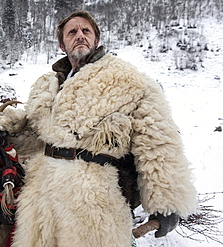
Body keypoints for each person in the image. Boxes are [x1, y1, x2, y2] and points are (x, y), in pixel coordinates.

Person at [10, 11, 197, 246]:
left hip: (94, 197)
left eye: (86, 31)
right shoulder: (45, 85)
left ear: (96, 40)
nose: (79, 36)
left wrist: (167, 204)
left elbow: (157, 139)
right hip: (40, 195)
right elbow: (34, 135)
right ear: (61, 43)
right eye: (72, 32)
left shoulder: (127, 78)